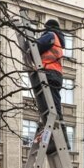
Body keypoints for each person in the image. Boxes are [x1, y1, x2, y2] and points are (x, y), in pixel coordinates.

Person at [31, 18, 69, 153]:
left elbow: (36, 46)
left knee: (52, 110)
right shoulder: (59, 39)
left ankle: (60, 139)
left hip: (48, 73)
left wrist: (29, 44)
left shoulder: (51, 35)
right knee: (53, 109)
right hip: (56, 75)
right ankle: (56, 139)